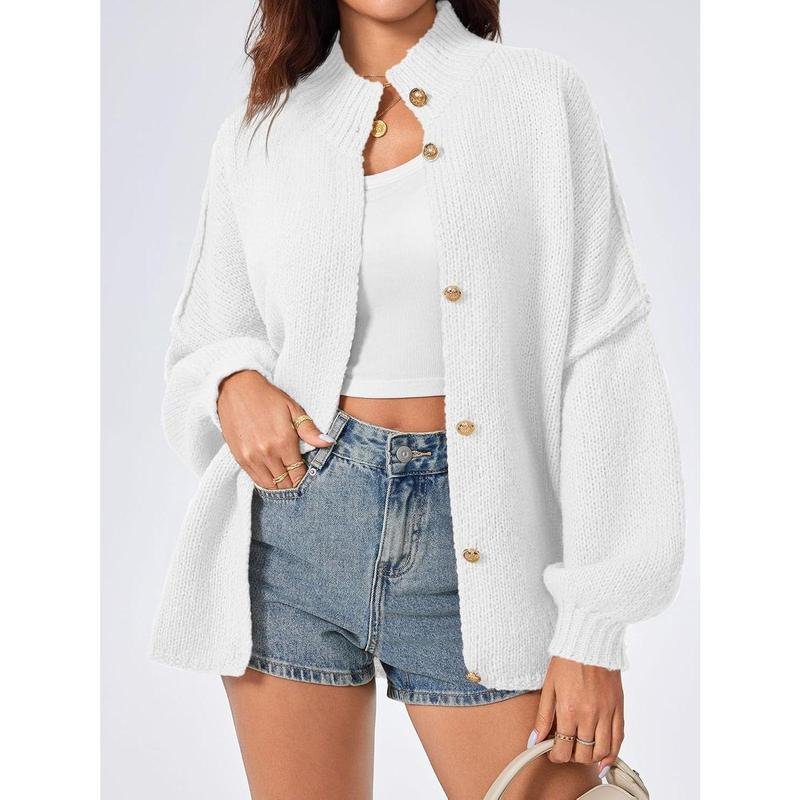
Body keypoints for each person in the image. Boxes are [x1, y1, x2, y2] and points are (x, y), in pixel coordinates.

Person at [151, 2, 685, 797]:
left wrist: (593, 628)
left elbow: (605, 354)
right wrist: (233, 381)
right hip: (295, 535)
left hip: (483, 554)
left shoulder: (537, 97)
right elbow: (207, 336)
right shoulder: (261, 131)